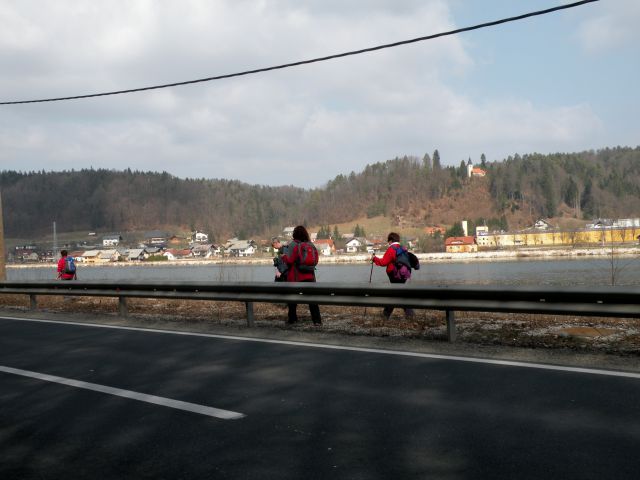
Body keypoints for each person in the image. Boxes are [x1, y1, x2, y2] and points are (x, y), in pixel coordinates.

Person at [279, 225, 322, 325]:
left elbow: (289, 261)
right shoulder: (310, 244)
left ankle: (292, 320)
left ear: (294, 234)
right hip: (310, 277)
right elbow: (315, 261)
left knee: (292, 300)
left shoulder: (293, 245)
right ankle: (317, 321)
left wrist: (283, 257)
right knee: (313, 301)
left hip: (296, 277)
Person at [371, 232, 414, 320]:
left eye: (388, 241)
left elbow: (383, 262)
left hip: (394, 275)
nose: (388, 243)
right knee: (398, 294)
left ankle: (387, 314)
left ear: (390, 241)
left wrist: (374, 259)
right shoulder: (403, 248)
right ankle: (408, 314)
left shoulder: (391, 249)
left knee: (395, 294)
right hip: (403, 275)